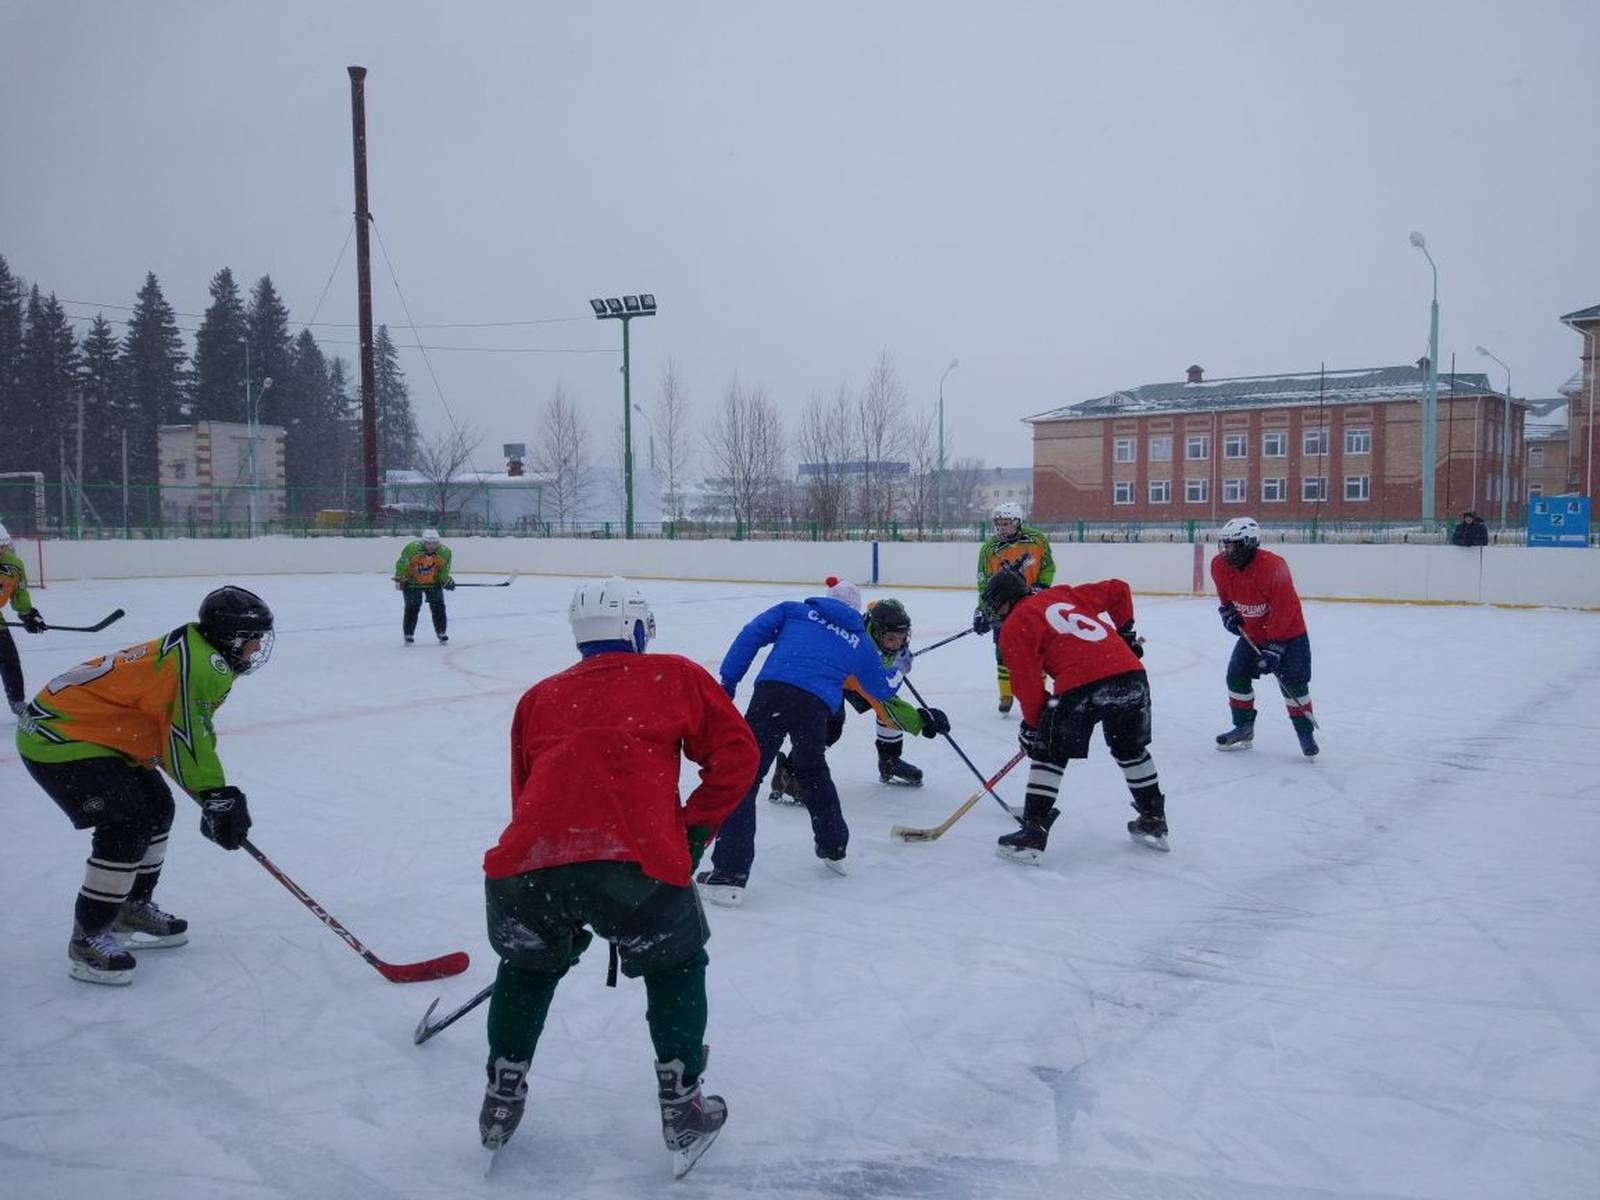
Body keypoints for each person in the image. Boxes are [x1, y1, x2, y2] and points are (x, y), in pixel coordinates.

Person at [478, 577, 758, 1178]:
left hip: (527, 868)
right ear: (637, 629)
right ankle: (682, 1103)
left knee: (527, 968)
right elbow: (738, 755)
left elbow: (526, 795)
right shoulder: (674, 676)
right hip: (635, 862)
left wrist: (563, 892)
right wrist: (691, 834)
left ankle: (502, 1093)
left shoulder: (539, 696)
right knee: (676, 963)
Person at [14, 586, 273, 985]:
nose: (257, 647)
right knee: (127, 821)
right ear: (229, 637)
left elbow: (169, 728)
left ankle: (129, 906)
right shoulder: (202, 665)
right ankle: (89, 936)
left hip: (100, 731)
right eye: (252, 638)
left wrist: (210, 795)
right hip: (58, 736)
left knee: (157, 808)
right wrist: (215, 795)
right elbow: (188, 736)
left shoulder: (201, 648)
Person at [697, 577, 896, 906]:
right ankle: (834, 847)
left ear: (826, 599)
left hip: (773, 694)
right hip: (814, 707)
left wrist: (729, 680)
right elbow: (882, 689)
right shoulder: (859, 641)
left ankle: (730, 875)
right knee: (813, 771)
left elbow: (751, 635)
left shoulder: (794, 611)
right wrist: (899, 665)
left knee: (745, 776)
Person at [980, 568, 1170, 862]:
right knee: (1130, 748)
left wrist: (1034, 726)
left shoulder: (1015, 625)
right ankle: (1153, 820)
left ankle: (1033, 833)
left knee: (1049, 753)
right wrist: (1126, 632)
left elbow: (1028, 686)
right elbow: (1119, 588)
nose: (994, 613)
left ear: (1006, 601)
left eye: (995, 605)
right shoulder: (1061, 594)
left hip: (1081, 684)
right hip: (1131, 674)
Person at [767, 596, 949, 800]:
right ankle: (789, 775)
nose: (898, 645)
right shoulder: (863, 654)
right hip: (827, 678)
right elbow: (885, 702)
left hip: (846, 673)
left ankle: (890, 760)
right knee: (831, 726)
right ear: (877, 634)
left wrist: (895, 657)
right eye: (891, 639)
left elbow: (883, 605)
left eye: (902, 638)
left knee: (882, 701)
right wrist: (922, 722)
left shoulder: (879, 621)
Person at [1211, 516, 1318, 757]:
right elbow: (1226, 598)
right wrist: (1227, 612)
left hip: (1289, 634)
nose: (1227, 551)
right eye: (1225, 544)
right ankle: (1243, 727)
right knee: (1236, 676)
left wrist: (1276, 646)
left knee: (1294, 685)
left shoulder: (1274, 567)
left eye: (1233, 545)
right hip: (1253, 633)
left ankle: (1305, 734)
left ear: (1250, 544)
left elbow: (1285, 608)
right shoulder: (1219, 565)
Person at [972, 502, 1055, 713]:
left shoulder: (1037, 540)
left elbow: (1048, 567)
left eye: (1007, 523)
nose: (1002, 528)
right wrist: (983, 608)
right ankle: (1006, 694)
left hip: (1034, 605)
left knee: (1038, 650)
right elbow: (984, 582)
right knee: (1002, 649)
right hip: (1003, 608)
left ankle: (1039, 692)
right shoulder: (989, 549)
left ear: (1018, 522)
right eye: (999, 524)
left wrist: (1042, 586)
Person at [1, 521, 47, 716]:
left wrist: (28, 614)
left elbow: (19, 594)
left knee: (9, 659)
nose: (4, 551)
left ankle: (17, 701)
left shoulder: (14, 565)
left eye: (3, 546)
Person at [393, 528, 454, 644]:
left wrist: (446, 581)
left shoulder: (445, 553)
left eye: (434, 543)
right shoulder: (412, 549)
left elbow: (443, 571)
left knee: (439, 606)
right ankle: (408, 634)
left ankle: (441, 632)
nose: (431, 546)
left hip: (432, 582)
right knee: (413, 605)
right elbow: (402, 564)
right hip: (412, 582)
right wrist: (400, 578)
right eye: (428, 543)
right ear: (423, 542)